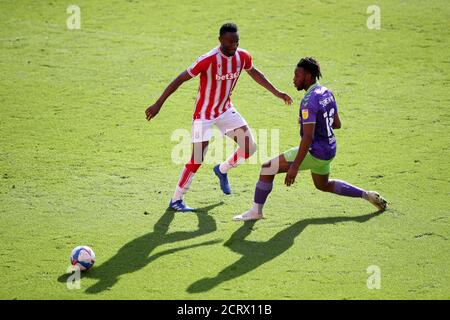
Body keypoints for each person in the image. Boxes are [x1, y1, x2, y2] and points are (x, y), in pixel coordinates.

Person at [145, 23, 293, 212]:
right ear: (220, 40)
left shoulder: (242, 56)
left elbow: (254, 72)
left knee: (250, 147)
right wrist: (158, 104)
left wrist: (277, 93)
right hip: (204, 115)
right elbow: (180, 79)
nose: (234, 46)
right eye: (230, 42)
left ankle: (222, 169)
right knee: (197, 158)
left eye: (237, 42)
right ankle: (176, 200)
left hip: (225, 111)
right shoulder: (208, 60)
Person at [233, 57, 388, 221]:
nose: (294, 80)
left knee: (267, 168)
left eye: (297, 76)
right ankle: (366, 195)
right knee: (323, 185)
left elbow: (308, 137)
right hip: (329, 149)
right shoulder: (327, 92)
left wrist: (295, 167)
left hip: (315, 152)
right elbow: (337, 124)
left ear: (308, 76)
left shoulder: (309, 101)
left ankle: (256, 212)